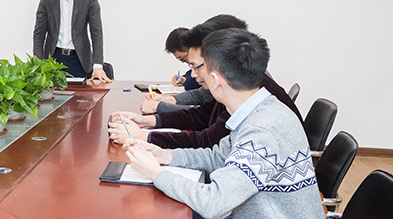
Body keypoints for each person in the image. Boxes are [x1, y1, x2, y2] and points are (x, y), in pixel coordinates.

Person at [121, 28, 331, 219]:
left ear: (214, 79)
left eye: (198, 68)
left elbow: (215, 204)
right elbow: (218, 156)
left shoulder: (263, 130)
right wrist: (164, 156)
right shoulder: (260, 109)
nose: (194, 76)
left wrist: (155, 174)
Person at [109, 17, 302, 149]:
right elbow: (202, 116)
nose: (193, 75)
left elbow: (208, 142)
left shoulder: (247, 93)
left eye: (196, 66)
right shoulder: (235, 84)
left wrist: (144, 136)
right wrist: (148, 121)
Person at [33, 0, 110, 84]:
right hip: (53, 60)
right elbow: (39, 34)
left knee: (81, 96)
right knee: (53, 95)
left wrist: (98, 65)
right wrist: (38, 63)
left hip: (80, 60)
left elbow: (96, 32)